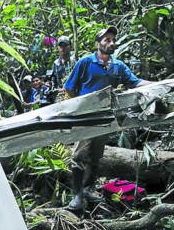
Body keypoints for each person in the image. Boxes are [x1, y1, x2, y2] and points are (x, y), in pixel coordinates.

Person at [63, 26, 153, 210]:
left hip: (106, 118)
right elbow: (70, 87)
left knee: (96, 155)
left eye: (113, 40)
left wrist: (160, 84)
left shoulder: (118, 66)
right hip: (86, 117)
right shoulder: (86, 62)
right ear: (98, 44)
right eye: (107, 40)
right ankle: (77, 196)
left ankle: (88, 189)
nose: (111, 43)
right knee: (79, 155)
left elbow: (135, 82)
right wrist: (79, 106)